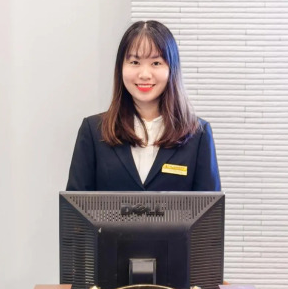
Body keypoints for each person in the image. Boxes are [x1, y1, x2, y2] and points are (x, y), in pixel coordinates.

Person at [66, 20, 220, 191]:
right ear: (120, 68)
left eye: (156, 63)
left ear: (172, 69)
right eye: (135, 62)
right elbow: (75, 205)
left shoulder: (198, 134)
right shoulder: (93, 130)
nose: (145, 74)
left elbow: (209, 206)